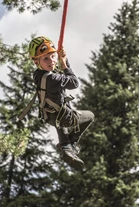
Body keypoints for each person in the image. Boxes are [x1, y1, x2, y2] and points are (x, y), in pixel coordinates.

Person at [28, 36, 94, 170]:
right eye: (46, 58)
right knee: (90, 116)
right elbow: (74, 83)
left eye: (52, 56)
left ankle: (65, 145)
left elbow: (56, 73)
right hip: (64, 117)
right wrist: (64, 65)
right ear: (36, 62)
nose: (51, 61)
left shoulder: (38, 75)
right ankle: (71, 143)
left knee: (59, 114)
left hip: (49, 116)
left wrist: (63, 59)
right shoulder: (53, 78)